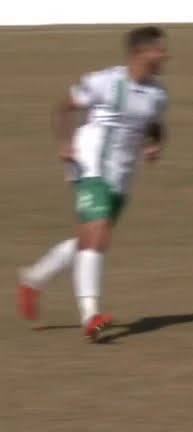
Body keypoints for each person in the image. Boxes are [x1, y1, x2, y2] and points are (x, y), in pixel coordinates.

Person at [17, 25, 170, 341]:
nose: (165, 55)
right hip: (89, 164)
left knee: (90, 240)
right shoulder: (105, 81)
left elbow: (155, 126)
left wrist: (153, 145)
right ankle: (91, 317)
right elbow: (64, 107)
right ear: (141, 53)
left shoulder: (158, 94)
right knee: (98, 236)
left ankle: (34, 279)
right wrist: (65, 142)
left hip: (123, 174)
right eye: (159, 49)